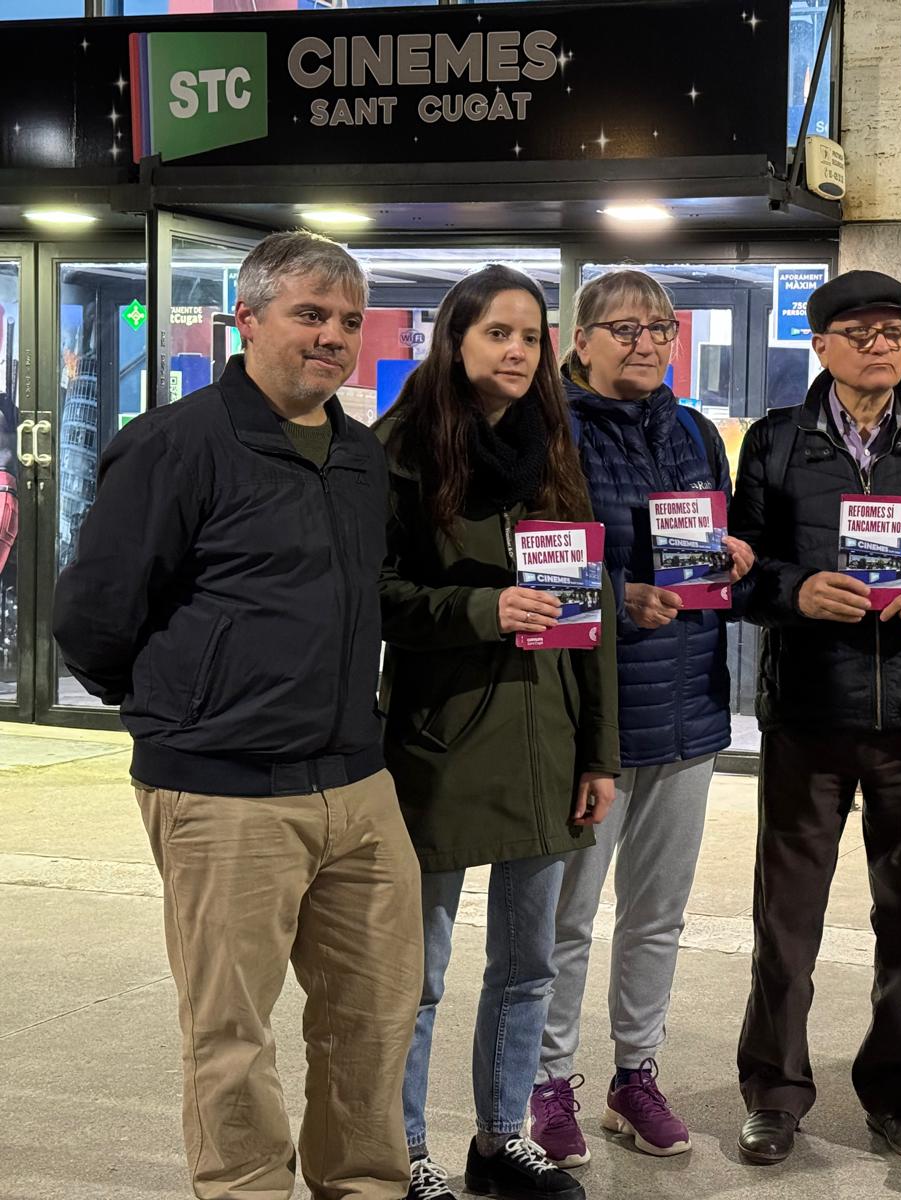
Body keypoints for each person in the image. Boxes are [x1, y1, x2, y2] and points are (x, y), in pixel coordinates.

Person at [53, 230, 423, 1200]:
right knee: (231, 1032)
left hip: (355, 782)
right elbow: (91, 616)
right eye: (309, 314)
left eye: (348, 320)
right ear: (247, 319)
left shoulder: (357, 456)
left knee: (375, 1018)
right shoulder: (178, 444)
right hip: (223, 792)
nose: (332, 336)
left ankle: (367, 1187)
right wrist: (184, 711)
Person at [729, 269, 901, 1166]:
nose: (882, 344)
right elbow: (741, 568)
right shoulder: (773, 442)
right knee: (787, 920)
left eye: (896, 329)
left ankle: (895, 1097)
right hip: (807, 714)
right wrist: (795, 588)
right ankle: (773, 1093)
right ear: (822, 344)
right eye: (862, 331)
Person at [376, 265, 619, 1200]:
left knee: (529, 968)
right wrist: (485, 610)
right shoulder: (403, 448)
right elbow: (380, 596)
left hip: (549, 743)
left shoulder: (553, 444)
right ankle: (406, 1157)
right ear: (456, 340)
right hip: (439, 748)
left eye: (531, 336)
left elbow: (588, 605)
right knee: (419, 975)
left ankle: (496, 1141)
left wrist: (598, 752)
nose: (518, 352)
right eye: (498, 335)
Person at [526, 269, 754, 1165]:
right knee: (567, 917)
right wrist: (623, 599)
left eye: (660, 327)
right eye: (624, 328)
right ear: (579, 341)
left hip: (689, 710)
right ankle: (546, 1084)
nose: (647, 343)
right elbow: (538, 568)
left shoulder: (697, 431)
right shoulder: (550, 432)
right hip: (592, 720)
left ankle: (635, 1076)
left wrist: (733, 555)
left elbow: (707, 551)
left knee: (658, 916)